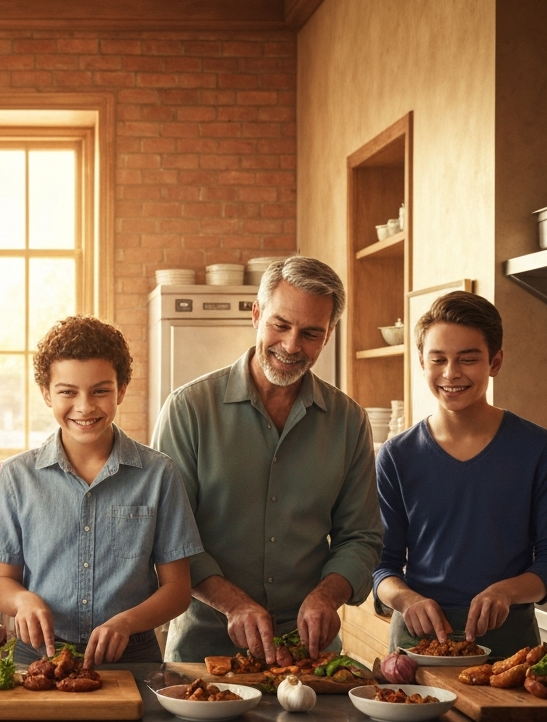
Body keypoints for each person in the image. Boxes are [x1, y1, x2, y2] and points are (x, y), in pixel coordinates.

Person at [152, 256, 383, 664]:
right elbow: (170, 537)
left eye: (311, 333)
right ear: (256, 315)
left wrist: (327, 597)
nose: (292, 346)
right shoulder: (189, 409)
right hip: (204, 651)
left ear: (327, 336)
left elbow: (360, 537)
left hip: (310, 654)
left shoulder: (349, 421)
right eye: (281, 325)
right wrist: (233, 604)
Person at [0, 316, 203, 667]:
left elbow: (177, 591)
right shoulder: (16, 476)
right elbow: (2, 582)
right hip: (39, 656)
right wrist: (22, 600)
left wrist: (127, 622)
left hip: (132, 658)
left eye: (100, 391)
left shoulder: (159, 474)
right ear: (46, 393)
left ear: (122, 389)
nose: (84, 407)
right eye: (67, 392)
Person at [373, 291, 547, 657]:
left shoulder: (537, 448)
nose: (451, 374)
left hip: (510, 646)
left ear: (495, 362)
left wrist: (506, 592)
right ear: (421, 362)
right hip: (417, 646)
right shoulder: (396, 456)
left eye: (468, 359)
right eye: (438, 360)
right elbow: (380, 567)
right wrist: (405, 598)